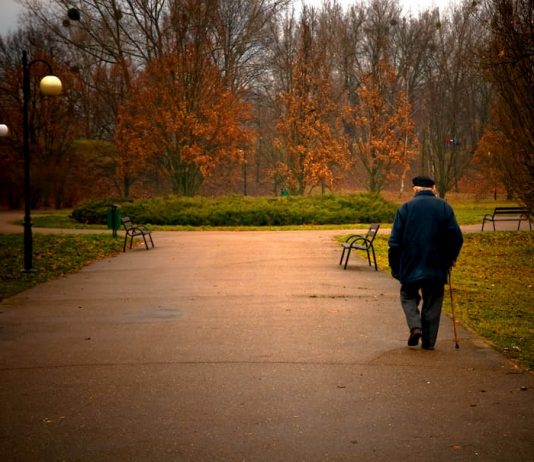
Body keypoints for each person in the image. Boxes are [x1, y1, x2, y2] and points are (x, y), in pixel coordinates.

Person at [388, 175, 463, 350]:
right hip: (436, 264)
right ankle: (428, 343)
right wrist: (451, 257)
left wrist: (394, 266)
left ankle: (415, 327)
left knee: (407, 296)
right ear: (433, 188)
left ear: (415, 189)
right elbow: (457, 237)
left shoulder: (405, 208)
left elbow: (394, 242)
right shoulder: (444, 207)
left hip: (410, 263)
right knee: (433, 301)